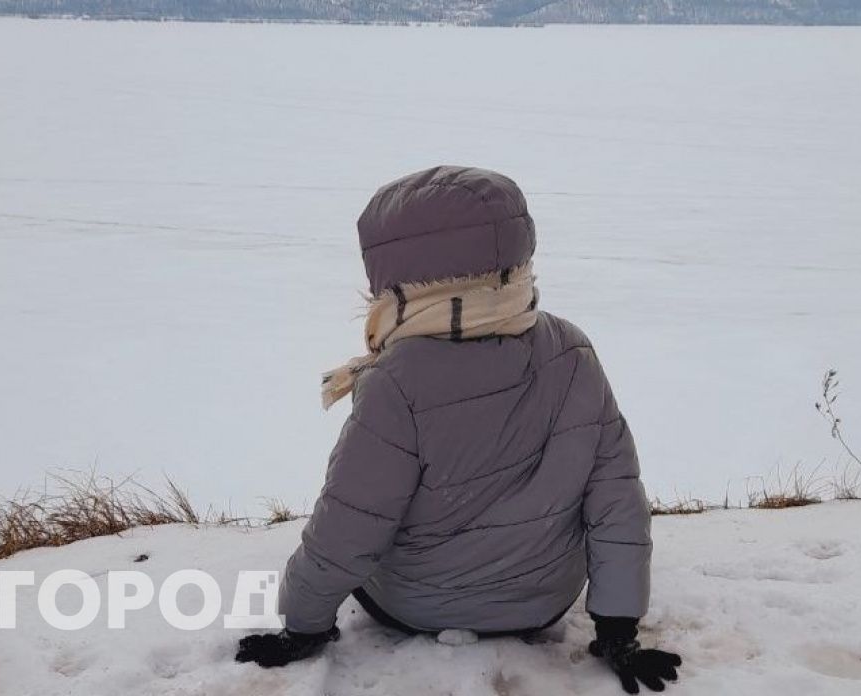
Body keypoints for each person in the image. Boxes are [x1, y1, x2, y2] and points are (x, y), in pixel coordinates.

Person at [236, 165, 681, 694]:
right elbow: (616, 500)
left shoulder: (396, 381)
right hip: (540, 603)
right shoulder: (571, 352)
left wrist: (303, 626)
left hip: (413, 607)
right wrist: (618, 629)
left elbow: (351, 524)